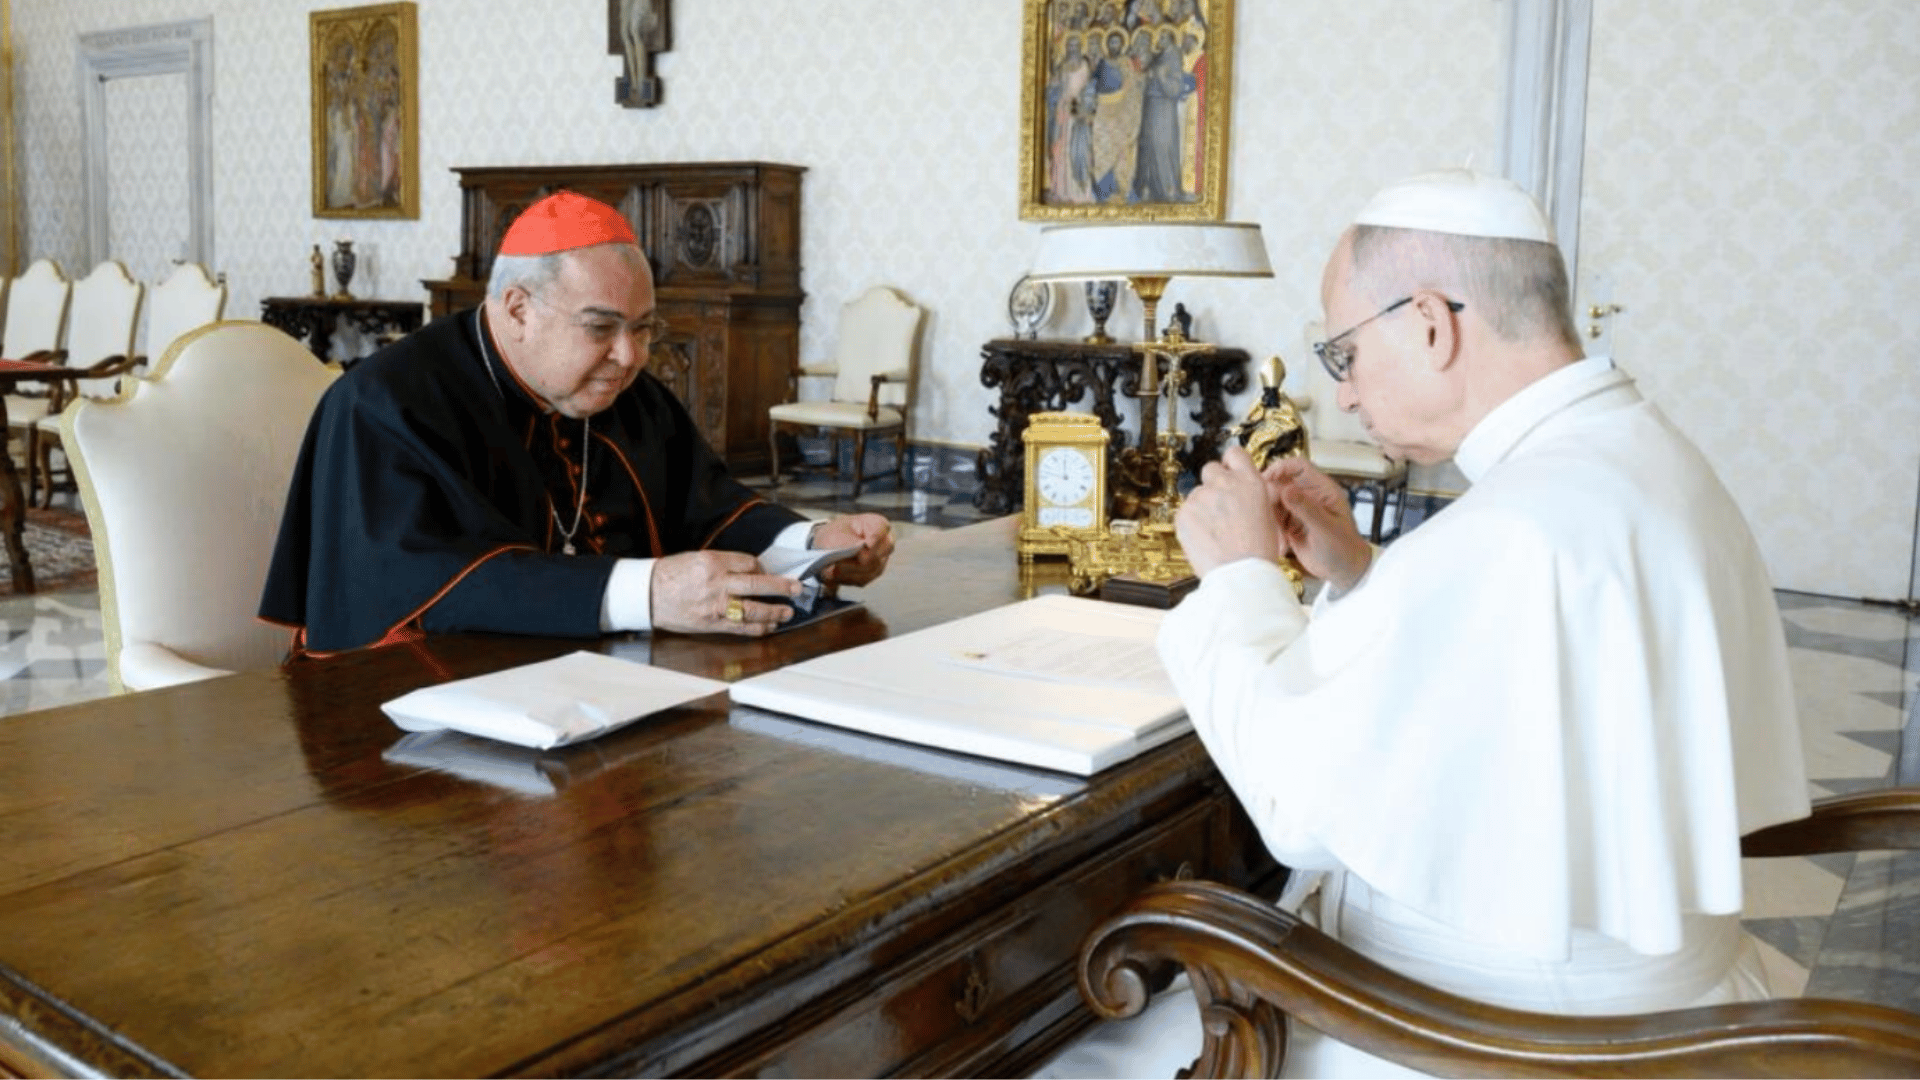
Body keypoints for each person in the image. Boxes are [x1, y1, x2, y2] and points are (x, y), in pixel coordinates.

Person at [1037, 168, 1810, 1078]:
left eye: (1345, 355)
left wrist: (1242, 575)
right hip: (1649, 989)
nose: (1349, 394)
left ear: (1433, 324)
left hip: (1481, 1031)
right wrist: (1361, 572)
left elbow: (1298, 811)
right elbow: (1509, 671)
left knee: (1077, 1052)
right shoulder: (1636, 453)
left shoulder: (1516, 525)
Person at [260, 190, 894, 655]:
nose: (629, 357)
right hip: (423, 729)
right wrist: (646, 593)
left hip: (603, 690)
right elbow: (414, 588)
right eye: (601, 328)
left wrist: (813, 547)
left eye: (643, 329)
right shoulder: (387, 405)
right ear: (517, 309)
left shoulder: (625, 394)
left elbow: (710, 507)